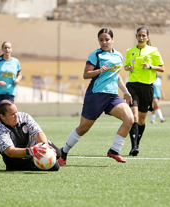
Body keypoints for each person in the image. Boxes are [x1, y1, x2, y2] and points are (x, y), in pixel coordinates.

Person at [58, 28, 134, 166]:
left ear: (112, 40)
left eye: (107, 39)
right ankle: (64, 151)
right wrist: (98, 71)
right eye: (101, 40)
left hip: (112, 96)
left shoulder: (118, 56)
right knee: (83, 128)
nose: (104, 42)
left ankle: (114, 150)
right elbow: (86, 75)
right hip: (96, 95)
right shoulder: (95, 55)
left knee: (129, 119)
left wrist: (125, 91)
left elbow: (115, 75)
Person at [124, 26, 165, 156]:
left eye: (143, 35)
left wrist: (150, 66)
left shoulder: (153, 51)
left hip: (147, 87)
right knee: (134, 116)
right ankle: (134, 147)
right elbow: (126, 66)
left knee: (141, 120)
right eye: (139, 35)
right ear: (136, 36)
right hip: (132, 86)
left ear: (147, 37)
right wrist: (128, 67)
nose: (141, 38)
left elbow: (162, 68)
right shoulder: (130, 51)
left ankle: (137, 143)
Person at [0, 99, 61, 171]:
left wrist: (45, 146)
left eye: (16, 112)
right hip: (17, 159)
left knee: (58, 153)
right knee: (55, 166)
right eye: (12, 114)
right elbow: (10, 151)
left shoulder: (24, 117)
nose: (16, 116)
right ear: (2, 116)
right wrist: (30, 151)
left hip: (33, 147)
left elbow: (38, 133)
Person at [0, 41, 22, 138]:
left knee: (8, 114)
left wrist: (17, 80)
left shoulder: (15, 62)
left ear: (11, 49)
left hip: (10, 92)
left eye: (9, 48)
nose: (7, 50)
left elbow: (19, 74)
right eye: (5, 48)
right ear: (2, 49)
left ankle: (7, 134)